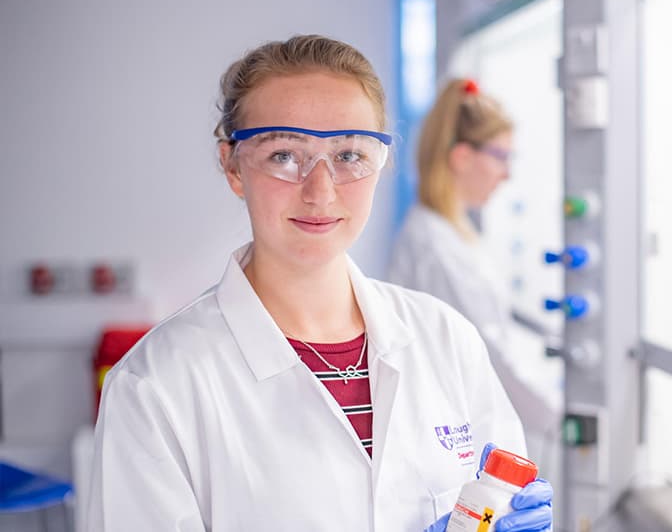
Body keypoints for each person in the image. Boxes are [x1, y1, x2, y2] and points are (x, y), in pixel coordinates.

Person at [87, 35, 551, 532]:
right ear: (232, 165)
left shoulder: (446, 340)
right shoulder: (155, 386)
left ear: (380, 163)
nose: (321, 191)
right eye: (285, 155)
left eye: (349, 155)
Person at [388, 79, 561, 476]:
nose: (507, 175)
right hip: (455, 439)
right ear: (463, 157)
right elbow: (492, 356)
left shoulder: (453, 233)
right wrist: (561, 416)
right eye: (501, 157)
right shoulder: (437, 248)